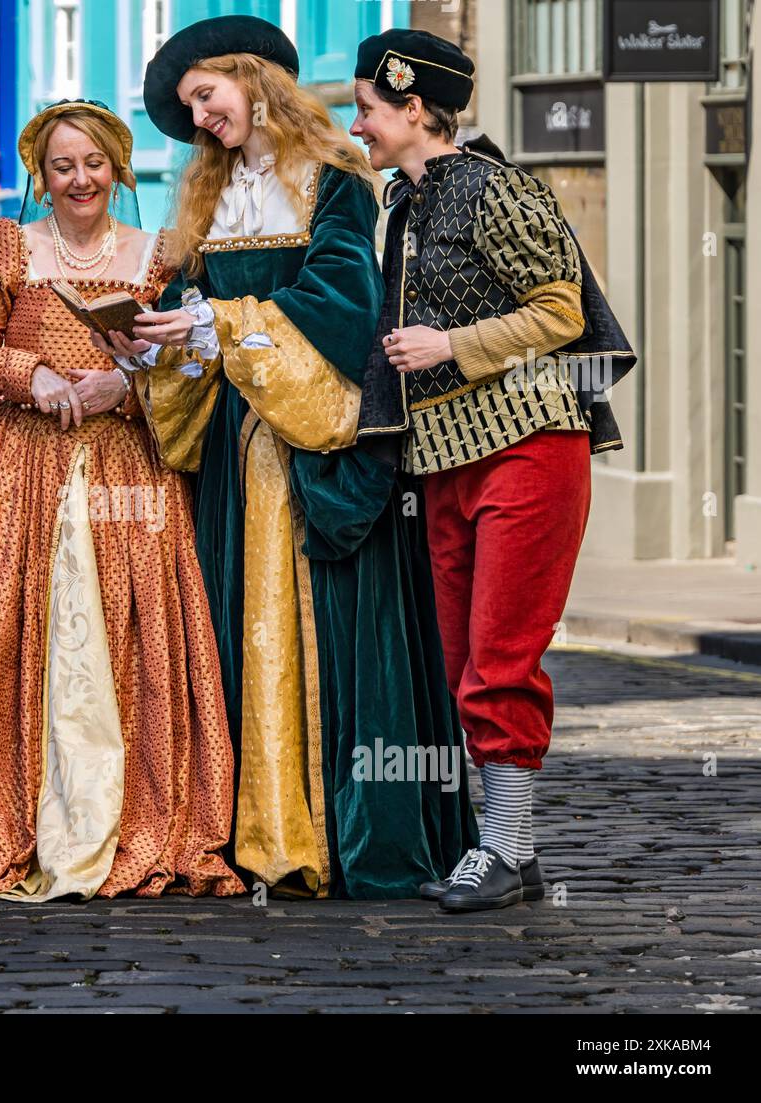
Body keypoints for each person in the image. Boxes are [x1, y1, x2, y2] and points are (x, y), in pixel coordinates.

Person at [124, 16, 478, 899]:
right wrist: (165, 335)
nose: (201, 117)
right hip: (235, 458)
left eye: (207, 95)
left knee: (331, 635)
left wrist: (223, 323)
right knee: (237, 629)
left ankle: (346, 834)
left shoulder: (335, 181)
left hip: (317, 445)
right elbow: (183, 305)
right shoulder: (205, 203)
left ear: (253, 79)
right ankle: (249, 833)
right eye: (188, 109)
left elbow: (345, 301)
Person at [0, 99, 243, 903]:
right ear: (42, 173)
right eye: (63, 166)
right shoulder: (9, 244)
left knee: (126, 639)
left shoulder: (159, 255)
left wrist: (123, 384)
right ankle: (15, 813)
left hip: (126, 473)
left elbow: (188, 365)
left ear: (118, 167)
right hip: (19, 468)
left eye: (94, 163)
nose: (79, 180)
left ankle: (130, 813)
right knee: (16, 635)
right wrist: (33, 376)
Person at [350, 29, 635, 911]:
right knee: (464, 656)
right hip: (443, 457)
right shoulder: (399, 200)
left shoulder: (498, 187)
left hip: (528, 443)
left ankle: (506, 851)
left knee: (500, 658)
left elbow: (559, 307)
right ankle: (510, 849)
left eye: (365, 108)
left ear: (411, 107)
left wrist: (450, 343)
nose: (355, 123)